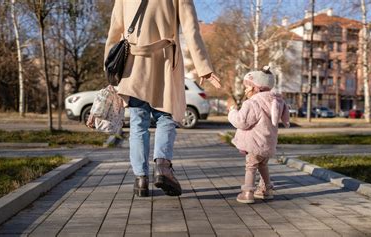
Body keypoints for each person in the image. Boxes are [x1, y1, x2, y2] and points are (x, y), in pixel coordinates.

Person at [105, 0, 221, 197]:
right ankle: (162, 167)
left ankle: (141, 179)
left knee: (138, 122)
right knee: (166, 117)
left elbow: (114, 30)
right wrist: (204, 67)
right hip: (165, 63)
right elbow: (191, 29)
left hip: (134, 66)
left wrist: (109, 68)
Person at [228, 66, 290, 204]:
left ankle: (247, 193)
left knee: (251, 166)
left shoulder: (253, 103)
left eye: (247, 87)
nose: (245, 90)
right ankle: (266, 190)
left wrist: (232, 112)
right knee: (263, 165)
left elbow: (242, 122)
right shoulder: (276, 101)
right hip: (267, 144)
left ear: (256, 87)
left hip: (254, 143)